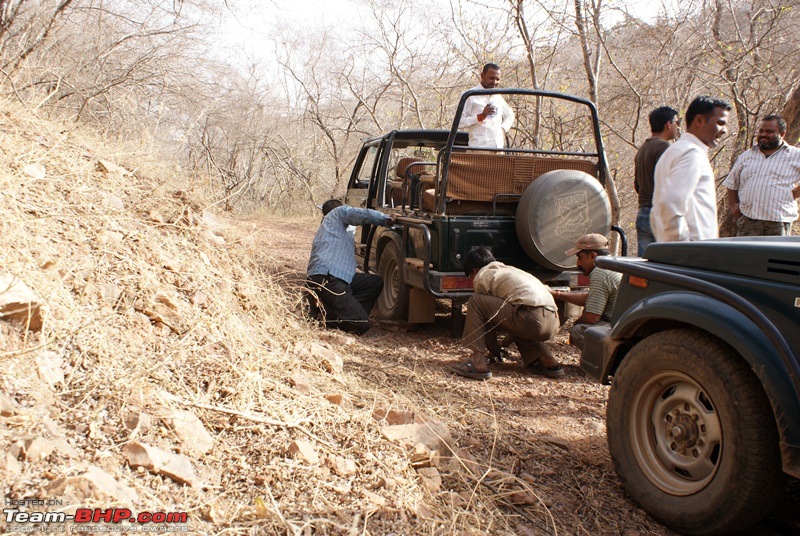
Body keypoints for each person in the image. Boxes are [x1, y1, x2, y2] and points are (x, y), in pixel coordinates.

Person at [450, 247, 563, 381]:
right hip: (553, 321)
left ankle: (477, 361)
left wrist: (494, 350)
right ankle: (546, 359)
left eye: (470, 276)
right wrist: (502, 345)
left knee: (475, 301)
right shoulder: (510, 271)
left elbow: (485, 319)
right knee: (517, 313)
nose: (472, 280)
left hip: (531, 317)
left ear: (474, 271)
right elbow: (507, 318)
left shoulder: (483, 275)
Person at [307, 199, 395, 334]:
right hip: (330, 278)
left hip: (326, 277)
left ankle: (345, 313)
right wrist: (386, 218)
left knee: (374, 282)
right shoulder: (337, 213)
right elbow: (358, 213)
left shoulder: (327, 228)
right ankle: (331, 318)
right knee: (362, 325)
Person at [651, 96, 732, 242]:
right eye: (720, 123)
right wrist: (685, 246)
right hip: (691, 255)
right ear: (699, 121)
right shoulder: (691, 154)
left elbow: (656, 212)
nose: (724, 131)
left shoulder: (674, 151)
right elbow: (670, 204)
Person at [723, 114, 800, 236]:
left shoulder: (795, 155)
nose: (764, 134)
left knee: (775, 255)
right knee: (747, 255)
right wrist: (734, 207)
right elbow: (731, 183)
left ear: (782, 134)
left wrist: (794, 193)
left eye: (769, 131)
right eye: (761, 131)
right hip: (749, 221)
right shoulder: (747, 155)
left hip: (778, 221)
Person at [550, 234, 621, 350]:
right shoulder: (612, 266)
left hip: (613, 326)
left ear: (593, 255)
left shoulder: (600, 272)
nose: (578, 263)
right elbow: (589, 298)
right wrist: (556, 294)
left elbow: (592, 317)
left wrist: (575, 324)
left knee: (578, 331)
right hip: (621, 324)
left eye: (580, 257)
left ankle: (603, 362)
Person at [634, 106, 680, 255]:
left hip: (642, 212)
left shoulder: (642, 149)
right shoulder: (664, 147)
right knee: (664, 268)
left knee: (644, 268)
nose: (677, 127)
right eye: (676, 123)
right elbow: (670, 183)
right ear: (668, 124)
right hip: (659, 214)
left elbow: (637, 185)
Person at [457, 63, 515, 148]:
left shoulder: (498, 97)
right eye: (491, 78)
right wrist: (479, 117)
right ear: (482, 76)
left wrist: (502, 129)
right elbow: (459, 123)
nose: (494, 82)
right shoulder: (470, 95)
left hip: (498, 149)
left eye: (497, 79)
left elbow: (510, 115)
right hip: (478, 149)